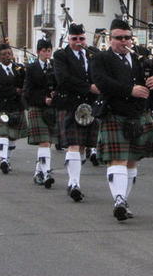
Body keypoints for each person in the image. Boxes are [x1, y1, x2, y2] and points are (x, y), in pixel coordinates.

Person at [91, 18, 153, 221]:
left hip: (138, 115)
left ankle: (123, 201)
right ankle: (119, 199)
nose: (123, 41)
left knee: (132, 161)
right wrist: (129, 90)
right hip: (114, 113)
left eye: (127, 38)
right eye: (119, 38)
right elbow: (101, 82)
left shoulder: (141, 59)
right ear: (110, 38)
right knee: (118, 159)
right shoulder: (101, 59)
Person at [52, 23, 101, 202]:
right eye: (74, 39)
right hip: (71, 104)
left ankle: (74, 180)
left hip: (91, 106)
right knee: (73, 143)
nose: (78, 42)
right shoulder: (61, 55)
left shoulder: (93, 53)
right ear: (68, 39)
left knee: (82, 146)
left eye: (81, 38)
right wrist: (89, 87)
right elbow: (63, 79)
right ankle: (74, 183)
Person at [23, 39, 58, 188]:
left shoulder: (55, 67)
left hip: (51, 110)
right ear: (38, 52)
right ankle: (46, 173)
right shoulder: (31, 68)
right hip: (37, 107)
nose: (47, 53)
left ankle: (39, 172)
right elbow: (27, 91)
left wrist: (55, 94)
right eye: (44, 50)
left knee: (47, 143)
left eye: (49, 50)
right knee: (44, 142)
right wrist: (43, 99)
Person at [0, 43, 27, 174]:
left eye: (9, 54)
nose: (7, 56)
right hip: (1, 106)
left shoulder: (19, 69)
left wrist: (23, 72)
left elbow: (25, 84)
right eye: (4, 55)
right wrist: (15, 91)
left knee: (12, 136)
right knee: (3, 134)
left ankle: (7, 159)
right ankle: (3, 159)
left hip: (16, 106)